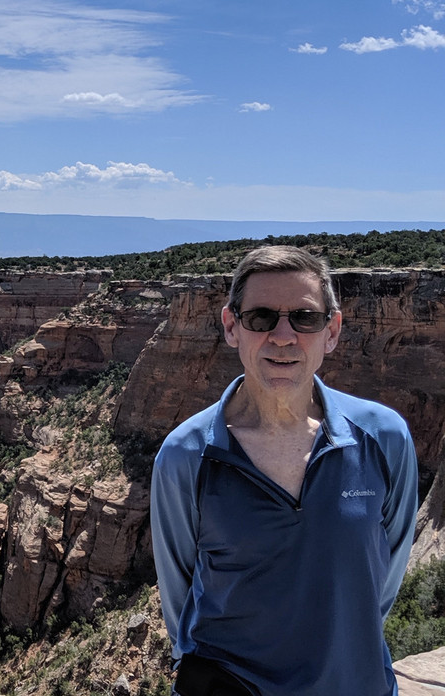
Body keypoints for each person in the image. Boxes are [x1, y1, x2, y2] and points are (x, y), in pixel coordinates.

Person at [150, 245, 419, 696]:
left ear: (331, 331)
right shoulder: (185, 455)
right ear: (231, 326)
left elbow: (383, 579)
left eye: (304, 317)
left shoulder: (384, 437)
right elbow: (178, 595)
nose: (282, 335)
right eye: (260, 318)